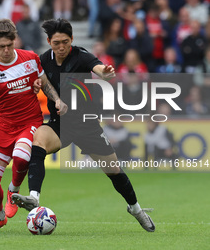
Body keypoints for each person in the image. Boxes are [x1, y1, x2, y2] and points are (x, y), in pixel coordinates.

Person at [12, 18, 156, 233]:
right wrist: (35, 84)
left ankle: (135, 209)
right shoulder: (43, 61)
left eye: (66, 42)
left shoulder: (81, 55)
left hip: (87, 124)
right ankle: (34, 198)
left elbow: (96, 67)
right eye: (57, 42)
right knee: (38, 138)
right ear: (49, 41)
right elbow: (38, 81)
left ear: (72, 39)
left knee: (114, 171)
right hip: (60, 123)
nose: (61, 47)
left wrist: (103, 72)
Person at [0, 19, 66, 232]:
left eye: (10, 44)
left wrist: (56, 99)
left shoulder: (30, 59)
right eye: (1, 47)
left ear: (14, 40)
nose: (7, 50)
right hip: (5, 126)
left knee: (21, 156)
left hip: (30, 123)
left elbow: (44, 83)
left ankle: (13, 190)